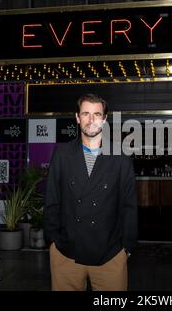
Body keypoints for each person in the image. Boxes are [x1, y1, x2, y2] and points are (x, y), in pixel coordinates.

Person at [44, 93, 138, 291]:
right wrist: (53, 241)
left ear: (104, 120)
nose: (91, 119)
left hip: (109, 255)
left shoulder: (120, 158)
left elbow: (129, 206)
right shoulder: (62, 154)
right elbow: (52, 199)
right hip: (66, 253)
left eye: (97, 114)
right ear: (77, 118)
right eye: (85, 113)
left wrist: (126, 248)